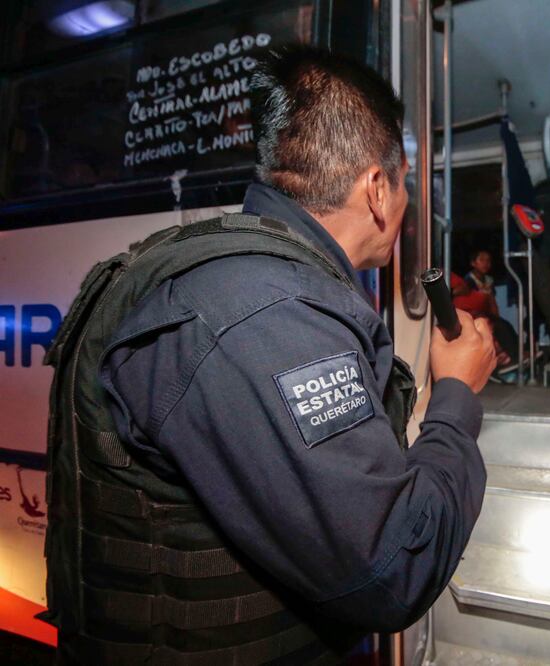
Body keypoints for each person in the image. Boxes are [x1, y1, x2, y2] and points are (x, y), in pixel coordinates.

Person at [42, 45, 496, 664]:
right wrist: (457, 397)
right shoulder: (271, 312)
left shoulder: (247, 277)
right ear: (377, 190)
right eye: (406, 184)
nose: (406, 203)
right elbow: (396, 567)